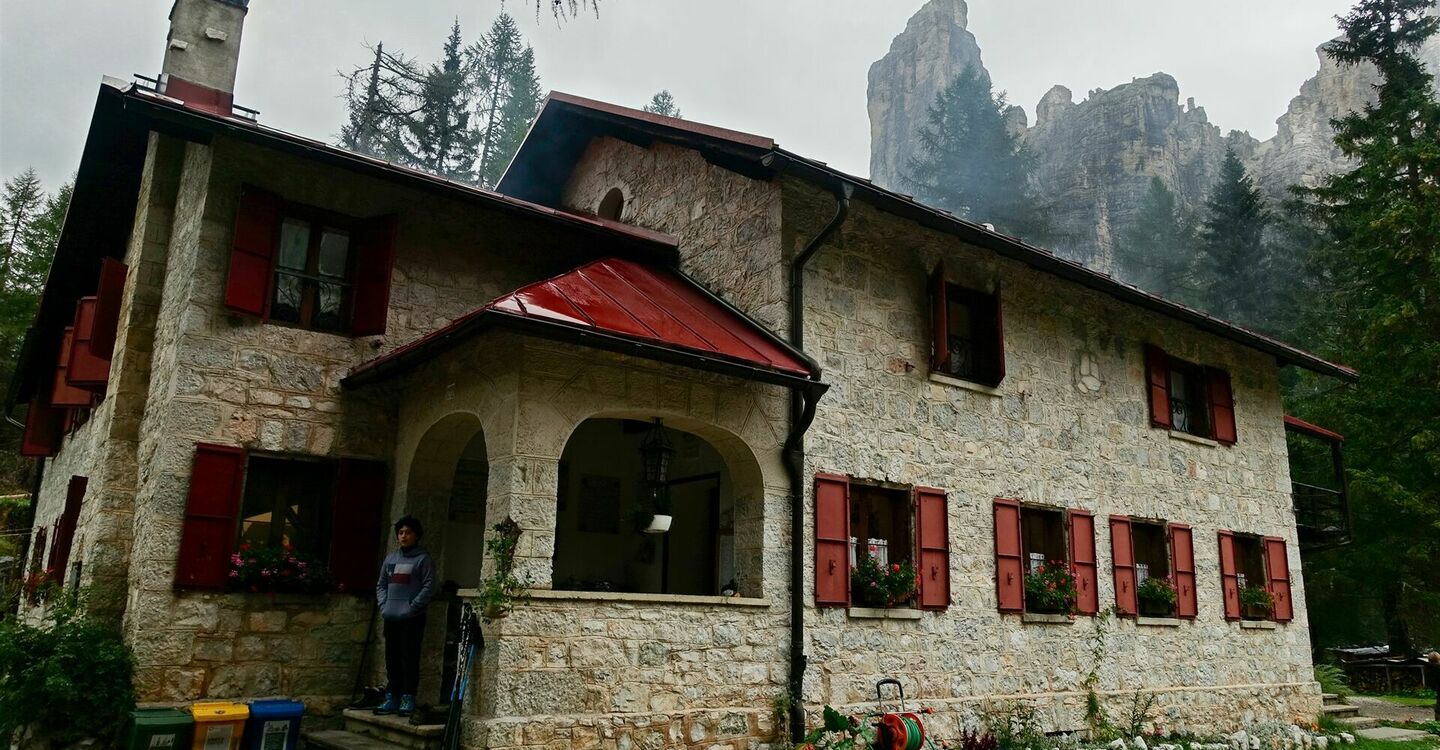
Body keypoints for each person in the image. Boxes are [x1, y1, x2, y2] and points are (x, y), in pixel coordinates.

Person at [374, 516, 435, 717]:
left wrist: (413, 606)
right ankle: (393, 695)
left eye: (408, 532)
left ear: (416, 535)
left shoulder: (423, 559)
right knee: (392, 657)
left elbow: (428, 586)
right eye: (400, 532)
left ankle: (408, 695)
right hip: (391, 616)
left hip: (412, 617)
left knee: (409, 656)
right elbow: (381, 584)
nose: (403, 536)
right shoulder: (390, 559)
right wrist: (384, 605)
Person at [1427, 651, 1440, 722]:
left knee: (1438, 710)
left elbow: (1430, 683)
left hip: (1438, 690)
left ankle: (1437, 724)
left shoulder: (1429, 669)